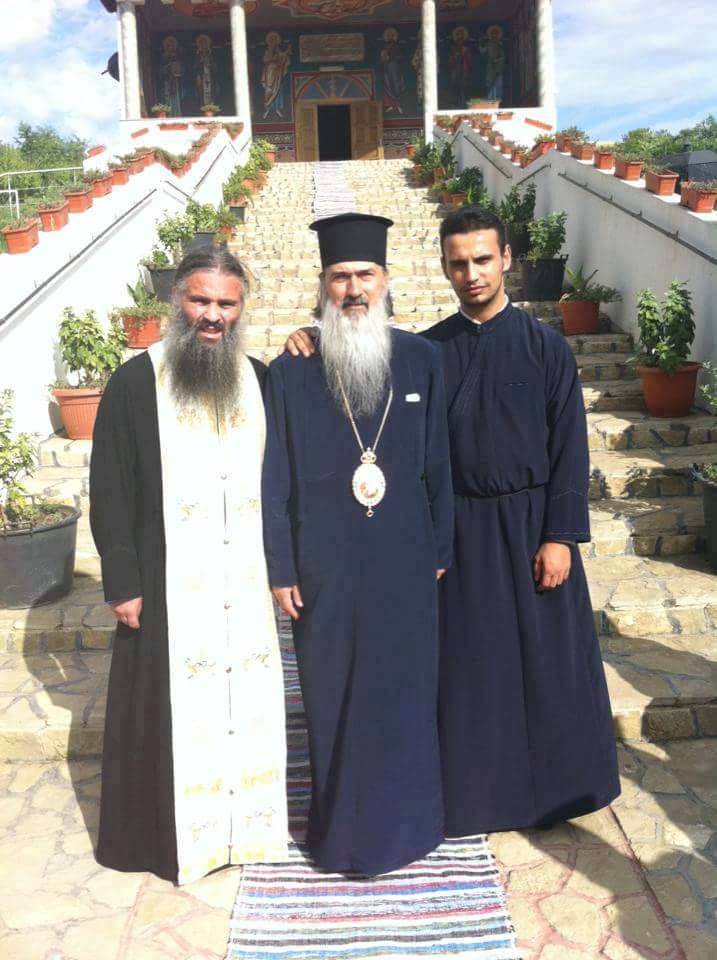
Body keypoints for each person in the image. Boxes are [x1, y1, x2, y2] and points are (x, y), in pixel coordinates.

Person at [282, 207, 620, 838]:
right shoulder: (427, 352)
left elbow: (571, 448)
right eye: (459, 263)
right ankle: (478, 799)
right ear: (443, 268)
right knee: (471, 671)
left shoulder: (546, 347)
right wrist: (311, 334)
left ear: (507, 259)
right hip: (459, 530)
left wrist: (561, 535)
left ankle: (556, 796)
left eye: (483, 260)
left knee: (547, 666)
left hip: (531, 527)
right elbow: (366, 381)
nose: (472, 274)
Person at [90, 246, 289, 885]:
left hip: (244, 586)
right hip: (165, 584)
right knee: (164, 716)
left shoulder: (260, 380)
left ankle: (247, 832)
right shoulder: (134, 383)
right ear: (176, 299)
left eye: (226, 303)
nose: (213, 315)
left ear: (241, 308)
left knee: (243, 703)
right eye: (201, 300)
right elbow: (110, 489)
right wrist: (123, 580)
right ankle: (169, 840)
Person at [262, 213, 454, 876]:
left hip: (407, 560)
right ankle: (341, 834)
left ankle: (412, 825)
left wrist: (440, 551)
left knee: (404, 691)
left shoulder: (423, 360)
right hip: (325, 567)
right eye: (339, 276)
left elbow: (439, 465)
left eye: (364, 274)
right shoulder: (289, 373)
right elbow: (275, 477)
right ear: (322, 284)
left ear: (386, 279)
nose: (353, 289)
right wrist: (281, 565)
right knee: (333, 694)